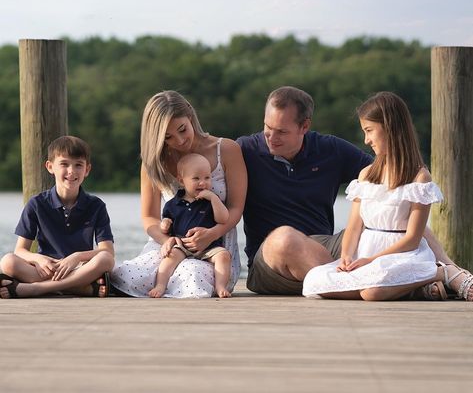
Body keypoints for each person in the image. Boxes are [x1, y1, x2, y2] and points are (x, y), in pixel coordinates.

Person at [237, 85, 471, 297]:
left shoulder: (330, 149)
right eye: (267, 127)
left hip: (328, 246)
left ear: (304, 126)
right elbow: (204, 173)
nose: (271, 137)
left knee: (405, 210)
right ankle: (406, 283)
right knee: (285, 237)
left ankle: (453, 272)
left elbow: (393, 180)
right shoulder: (244, 150)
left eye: (281, 131)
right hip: (271, 261)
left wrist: (416, 172)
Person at [303, 91, 473, 301]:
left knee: (372, 292)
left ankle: (440, 272)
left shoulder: (420, 178)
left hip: (402, 256)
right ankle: (419, 288)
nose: (366, 140)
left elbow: (412, 238)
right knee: (313, 281)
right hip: (366, 254)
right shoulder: (366, 175)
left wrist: (372, 260)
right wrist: (346, 256)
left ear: (390, 128)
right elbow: (355, 226)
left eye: (369, 131)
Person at [110, 90, 247, 298]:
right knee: (123, 275)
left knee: (190, 275)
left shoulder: (227, 150)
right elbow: (149, 217)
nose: (180, 141)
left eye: (183, 129)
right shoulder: (155, 163)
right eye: (168, 137)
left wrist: (211, 234)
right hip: (169, 245)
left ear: (190, 115)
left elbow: (236, 208)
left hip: (215, 249)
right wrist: (167, 240)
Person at [0, 136, 114, 299]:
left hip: (79, 268)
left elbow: (107, 251)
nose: (71, 171)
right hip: (46, 269)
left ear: (87, 170)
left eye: (78, 165)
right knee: (7, 262)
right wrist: (38, 258)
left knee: (106, 260)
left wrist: (76, 257)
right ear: (50, 166)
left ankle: (38, 289)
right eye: (64, 164)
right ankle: (79, 288)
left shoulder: (96, 205)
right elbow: (20, 251)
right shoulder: (36, 204)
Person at [150, 153, 232, 298]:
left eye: (207, 178)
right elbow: (166, 222)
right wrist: (165, 224)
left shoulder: (212, 201)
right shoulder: (173, 204)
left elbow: (224, 218)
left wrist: (213, 198)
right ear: (181, 181)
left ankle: (220, 286)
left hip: (209, 246)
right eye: (196, 178)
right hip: (182, 244)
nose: (203, 183)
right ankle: (160, 284)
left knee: (224, 256)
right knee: (169, 256)